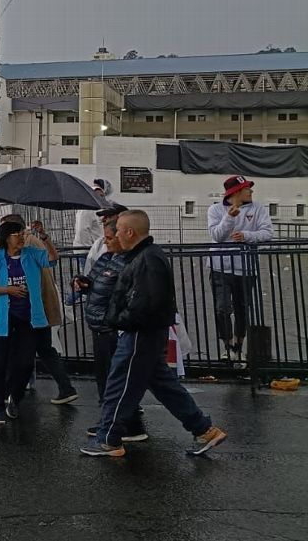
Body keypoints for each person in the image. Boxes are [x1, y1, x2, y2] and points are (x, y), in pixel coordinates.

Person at [82, 210, 227, 457]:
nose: (115, 235)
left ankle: (109, 439)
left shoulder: (146, 260)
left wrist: (118, 320)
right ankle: (204, 429)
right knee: (163, 384)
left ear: (130, 232)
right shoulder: (145, 256)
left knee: (120, 384)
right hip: (145, 332)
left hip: (140, 332)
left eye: (118, 231)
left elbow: (144, 304)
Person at [72, 209, 146, 442]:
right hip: (98, 324)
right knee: (105, 377)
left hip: (113, 327)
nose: (106, 242)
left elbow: (131, 295)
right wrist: (84, 284)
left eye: (111, 237)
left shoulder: (131, 262)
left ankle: (127, 424)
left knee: (119, 379)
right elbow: (95, 281)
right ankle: (110, 420)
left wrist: (118, 319)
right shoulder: (106, 257)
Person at [0, 220, 58, 426]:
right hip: (3, 319)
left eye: (22, 233)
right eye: (17, 234)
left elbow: (51, 259)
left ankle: (15, 396)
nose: (21, 237)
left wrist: (44, 237)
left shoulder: (31, 254)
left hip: (29, 318)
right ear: (6, 238)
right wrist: (7, 290)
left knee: (24, 363)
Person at [0, 214, 79, 405]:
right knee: (43, 349)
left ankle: (9, 391)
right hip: (37, 304)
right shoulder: (25, 243)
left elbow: (49, 261)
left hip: (35, 304)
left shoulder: (28, 244)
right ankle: (64, 388)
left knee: (23, 350)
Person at [207, 175, 273, 364]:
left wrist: (246, 235)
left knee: (243, 309)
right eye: (246, 189)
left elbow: (268, 233)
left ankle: (239, 346)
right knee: (222, 309)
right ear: (235, 193)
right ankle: (227, 348)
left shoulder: (258, 208)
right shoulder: (216, 209)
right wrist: (229, 217)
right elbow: (217, 236)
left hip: (246, 268)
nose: (251, 191)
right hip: (220, 266)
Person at [73, 179, 113, 248]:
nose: (101, 198)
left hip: (95, 249)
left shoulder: (97, 209)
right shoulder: (87, 209)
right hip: (86, 251)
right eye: (98, 195)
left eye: (102, 195)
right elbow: (82, 231)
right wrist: (88, 249)